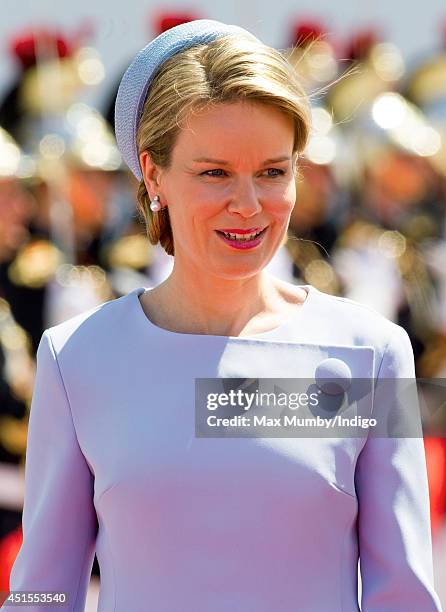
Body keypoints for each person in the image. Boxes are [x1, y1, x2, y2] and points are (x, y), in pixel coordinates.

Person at [2, 19, 443, 612]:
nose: (249, 205)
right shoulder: (75, 356)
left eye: (272, 171)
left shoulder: (373, 353)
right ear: (153, 174)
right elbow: (43, 592)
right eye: (215, 173)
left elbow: (405, 596)